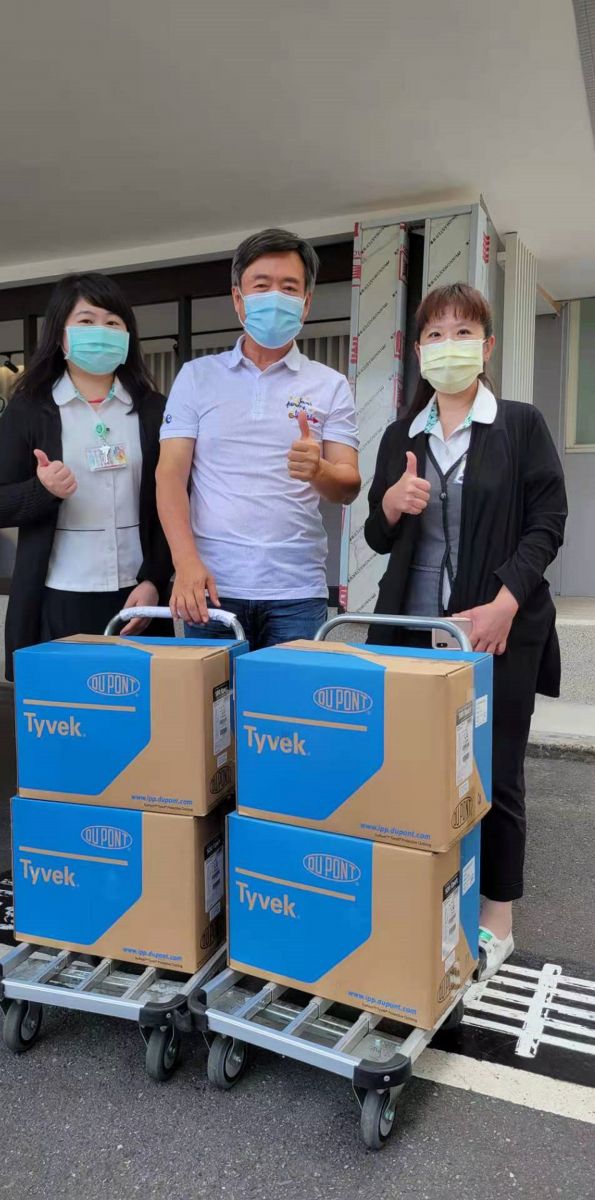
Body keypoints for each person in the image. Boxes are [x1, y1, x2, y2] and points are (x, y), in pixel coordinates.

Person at [364, 282, 567, 980]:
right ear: (417, 350)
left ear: (486, 346)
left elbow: (548, 521)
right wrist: (392, 503)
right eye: (434, 334)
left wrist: (507, 601)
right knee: (413, 767)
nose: (447, 346)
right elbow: (376, 534)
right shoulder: (402, 435)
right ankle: (422, 894)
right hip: (411, 630)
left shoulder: (519, 425)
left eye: (462, 333)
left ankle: (495, 917)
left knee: (493, 771)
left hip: (495, 630)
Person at [156, 228, 361, 649]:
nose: (275, 297)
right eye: (262, 285)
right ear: (238, 299)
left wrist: (319, 470)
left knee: (291, 695)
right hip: (211, 588)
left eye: (289, 287)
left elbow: (348, 486)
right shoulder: (196, 377)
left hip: (296, 591)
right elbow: (170, 476)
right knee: (210, 696)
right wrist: (185, 562)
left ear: (306, 303)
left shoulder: (331, 384)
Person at [0, 272, 173, 681]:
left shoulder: (153, 410)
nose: (100, 332)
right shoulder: (29, 410)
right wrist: (43, 490)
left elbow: (171, 505)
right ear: (60, 335)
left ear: (128, 336)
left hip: (137, 597)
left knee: (139, 706)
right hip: (59, 594)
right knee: (65, 705)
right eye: (86, 321)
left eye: (113, 322)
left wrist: (155, 581)